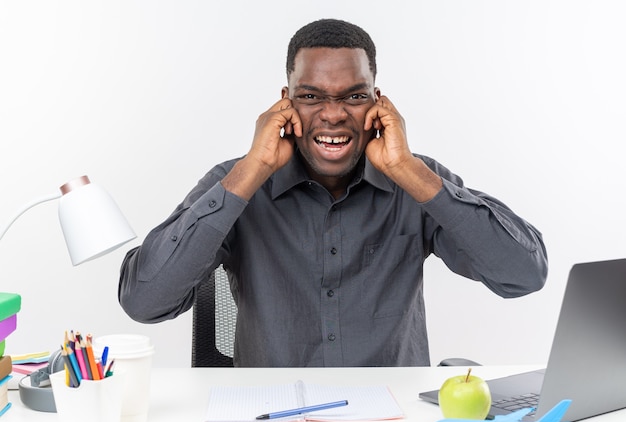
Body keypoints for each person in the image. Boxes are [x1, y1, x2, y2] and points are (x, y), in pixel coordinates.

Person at [118, 18, 547, 367]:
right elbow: (144, 302)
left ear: (378, 102)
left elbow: (524, 275)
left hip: (393, 412)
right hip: (272, 411)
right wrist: (251, 170)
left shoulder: (416, 178)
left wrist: (409, 172)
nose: (334, 114)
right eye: (311, 96)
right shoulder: (237, 179)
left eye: (354, 97)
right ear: (285, 103)